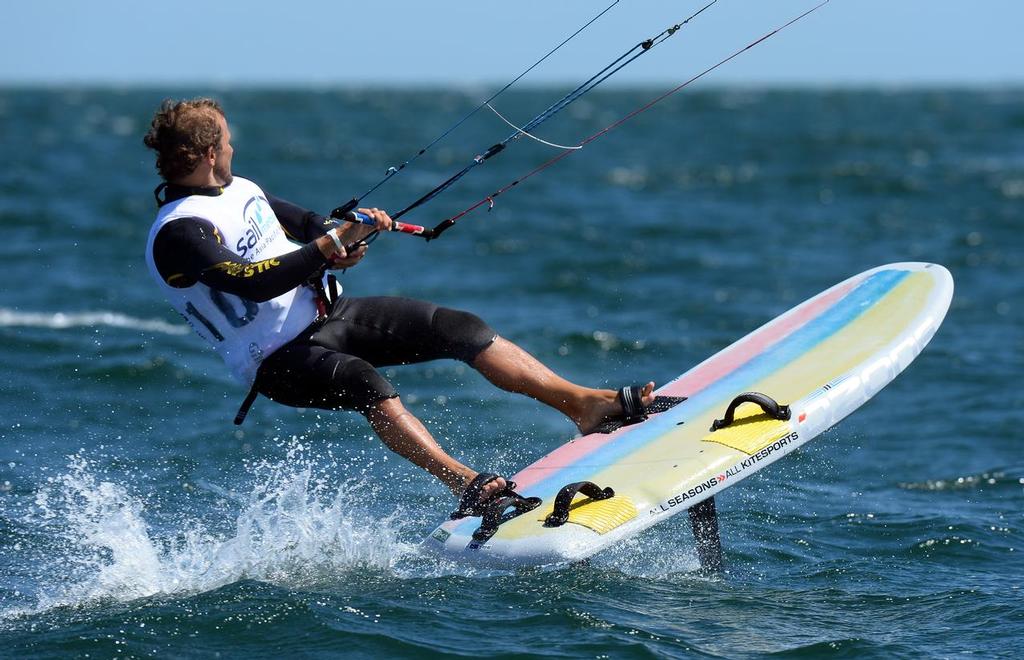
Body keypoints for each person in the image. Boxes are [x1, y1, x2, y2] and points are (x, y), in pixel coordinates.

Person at [143, 97, 654, 511]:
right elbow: (253, 282)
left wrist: (345, 237)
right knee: (368, 384)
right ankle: (466, 485)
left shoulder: (239, 189)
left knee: (458, 327)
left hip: (332, 315)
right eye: (228, 141)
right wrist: (328, 248)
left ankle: (584, 404)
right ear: (210, 151)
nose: (234, 148)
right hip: (278, 361)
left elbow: (307, 224)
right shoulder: (179, 232)